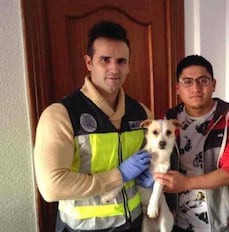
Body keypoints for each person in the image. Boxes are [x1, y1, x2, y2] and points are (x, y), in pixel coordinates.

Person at [34, 21, 154, 231]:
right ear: (89, 62)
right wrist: (119, 175)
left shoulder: (142, 113)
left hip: (135, 223)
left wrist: (153, 175)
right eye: (104, 60)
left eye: (121, 61)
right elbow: (51, 187)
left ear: (129, 66)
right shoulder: (60, 114)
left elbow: (153, 158)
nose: (114, 68)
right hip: (82, 227)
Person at [153, 55, 229, 232]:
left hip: (222, 222)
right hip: (177, 222)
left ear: (213, 84)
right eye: (187, 81)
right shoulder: (168, 120)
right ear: (177, 88)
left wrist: (186, 183)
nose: (196, 88)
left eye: (203, 81)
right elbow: (157, 163)